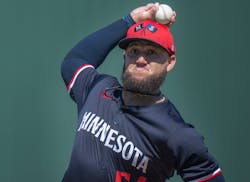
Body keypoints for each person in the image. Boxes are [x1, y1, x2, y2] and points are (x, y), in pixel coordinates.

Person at [60, 2, 225, 182]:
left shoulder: (177, 133)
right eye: (134, 50)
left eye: (152, 52)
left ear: (170, 62)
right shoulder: (97, 89)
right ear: (125, 57)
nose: (140, 59)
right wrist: (129, 20)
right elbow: (75, 60)